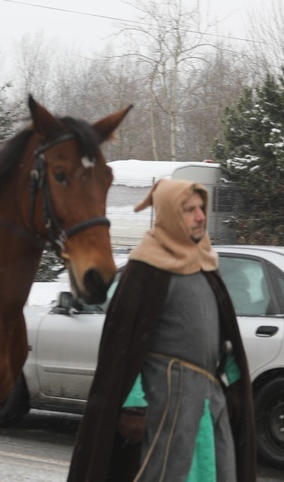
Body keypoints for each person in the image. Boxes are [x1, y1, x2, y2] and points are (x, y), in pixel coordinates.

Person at [67, 179, 257, 482]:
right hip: (167, 405)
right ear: (169, 215)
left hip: (207, 403)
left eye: (201, 208)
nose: (200, 216)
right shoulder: (146, 269)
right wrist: (133, 403)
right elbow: (123, 349)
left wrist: (233, 382)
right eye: (189, 210)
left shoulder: (206, 265)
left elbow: (224, 336)